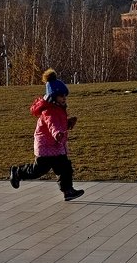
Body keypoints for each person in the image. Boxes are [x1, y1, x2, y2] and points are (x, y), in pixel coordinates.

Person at [9, 68, 84, 202]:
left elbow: (59, 125)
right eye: (61, 96)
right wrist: (57, 134)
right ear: (53, 97)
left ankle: (68, 191)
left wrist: (68, 124)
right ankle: (17, 172)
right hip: (46, 147)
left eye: (65, 96)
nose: (64, 98)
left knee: (65, 167)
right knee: (38, 170)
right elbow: (52, 125)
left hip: (56, 146)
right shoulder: (49, 111)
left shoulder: (58, 109)